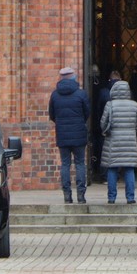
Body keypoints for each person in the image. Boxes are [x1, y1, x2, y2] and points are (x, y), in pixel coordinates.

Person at [49, 66, 89, 203]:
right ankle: (81, 195)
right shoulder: (81, 94)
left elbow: (52, 115)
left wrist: (61, 124)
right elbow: (87, 113)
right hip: (79, 134)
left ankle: (67, 195)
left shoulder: (55, 95)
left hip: (62, 134)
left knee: (65, 164)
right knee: (80, 163)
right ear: (73, 77)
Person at [100, 80, 137, 204]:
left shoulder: (110, 105)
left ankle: (112, 198)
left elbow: (103, 123)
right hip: (130, 141)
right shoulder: (134, 105)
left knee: (112, 169)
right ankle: (130, 197)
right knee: (129, 169)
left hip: (113, 141)